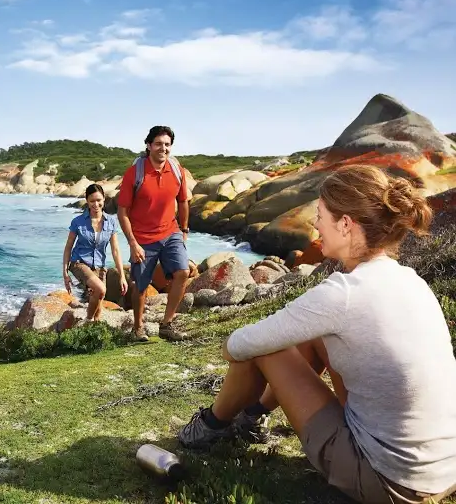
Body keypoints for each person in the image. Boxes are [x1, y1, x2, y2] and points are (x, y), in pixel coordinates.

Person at [177, 165, 456, 504]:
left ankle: (211, 426)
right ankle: (251, 418)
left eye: (321, 215)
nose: (315, 224)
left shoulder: (343, 293)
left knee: (265, 348)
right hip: (442, 470)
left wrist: (233, 345)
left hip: (390, 483)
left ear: (346, 224)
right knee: (313, 336)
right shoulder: (411, 280)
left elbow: (239, 345)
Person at [117, 125, 191, 342]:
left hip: (171, 232)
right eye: (158, 144)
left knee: (183, 273)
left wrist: (184, 230)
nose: (163, 148)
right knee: (140, 286)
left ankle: (167, 324)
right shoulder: (135, 173)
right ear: (148, 146)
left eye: (167, 144)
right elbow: (122, 212)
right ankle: (138, 328)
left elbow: (183, 201)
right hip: (142, 238)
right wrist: (133, 243)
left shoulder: (177, 170)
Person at [62, 184, 128, 321]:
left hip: (99, 266)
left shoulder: (111, 222)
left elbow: (115, 250)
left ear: (104, 199)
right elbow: (68, 247)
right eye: (92, 201)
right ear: (87, 201)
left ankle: (92, 332)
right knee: (101, 289)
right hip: (79, 263)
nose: (96, 204)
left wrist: (122, 275)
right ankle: (87, 320)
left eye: (99, 200)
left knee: (98, 306)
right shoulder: (78, 222)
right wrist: (65, 273)